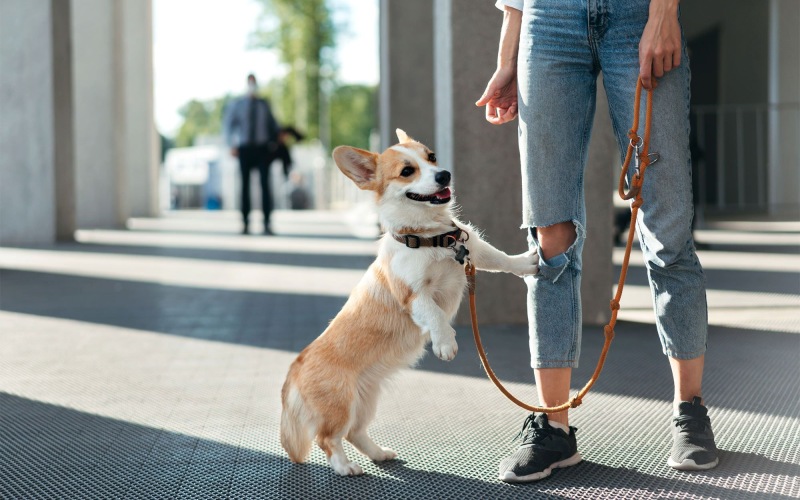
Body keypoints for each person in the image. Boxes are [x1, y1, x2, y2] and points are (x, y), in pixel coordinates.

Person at [476, 0, 718, 483]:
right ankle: (553, 427)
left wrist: (664, 12)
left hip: (638, 13)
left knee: (667, 230)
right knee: (549, 232)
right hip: (547, 20)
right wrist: (508, 56)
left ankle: (689, 411)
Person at [224, 73, 280, 235]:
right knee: (245, 186)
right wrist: (231, 144)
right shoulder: (238, 104)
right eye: (250, 83)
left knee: (265, 185)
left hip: (262, 149)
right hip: (245, 148)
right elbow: (229, 126)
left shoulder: (264, 104)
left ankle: (267, 222)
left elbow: (273, 124)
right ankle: (245, 222)